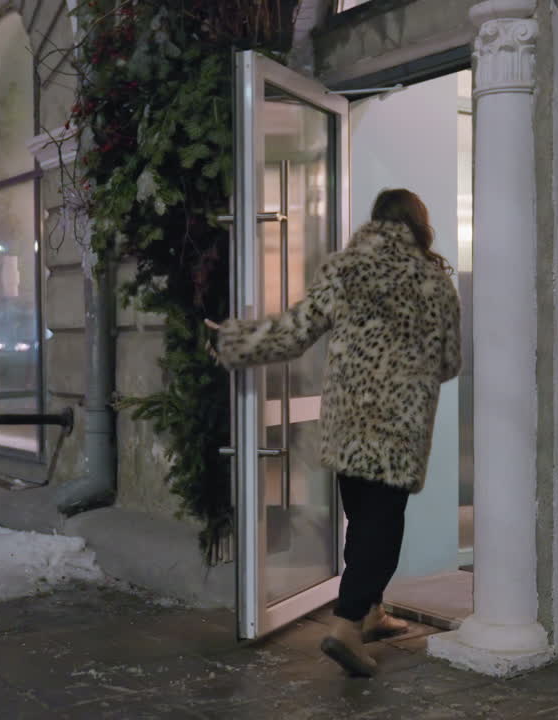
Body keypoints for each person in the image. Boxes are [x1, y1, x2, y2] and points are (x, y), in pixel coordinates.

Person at [206, 188, 462, 677]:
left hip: (348, 420)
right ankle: (347, 627)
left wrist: (230, 340)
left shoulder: (344, 269)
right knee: (382, 528)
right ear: (419, 224)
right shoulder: (432, 281)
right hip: (397, 426)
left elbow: (295, 332)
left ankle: (371, 612)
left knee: (361, 519)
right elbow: (449, 364)